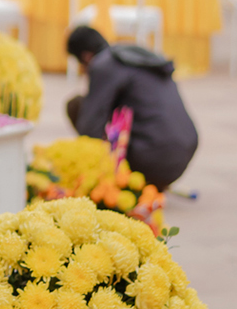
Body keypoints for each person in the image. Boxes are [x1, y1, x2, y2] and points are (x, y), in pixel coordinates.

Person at [66, 25, 199, 191]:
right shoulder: (133, 54)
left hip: (152, 157)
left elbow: (89, 127)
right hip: (183, 150)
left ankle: (128, 180)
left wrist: (85, 175)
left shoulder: (103, 64)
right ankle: (153, 181)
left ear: (86, 57)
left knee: (76, 105)